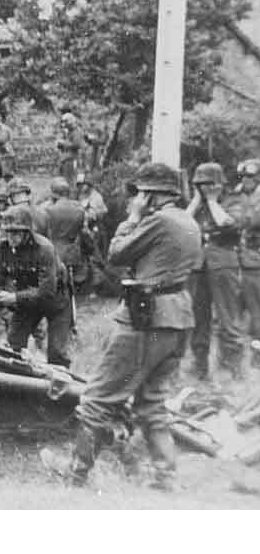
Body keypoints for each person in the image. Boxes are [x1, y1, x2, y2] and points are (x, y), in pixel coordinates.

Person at [40, 163, 202, 490]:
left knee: (98, 397)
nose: (136, 199)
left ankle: (75, 474)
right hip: (179, 318)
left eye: (140, 193)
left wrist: (132, 218)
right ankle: (165, 477)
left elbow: (116, 253)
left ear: (152, 195)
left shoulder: (158, 221)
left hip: (147, 321)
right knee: (151, 403)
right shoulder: (188, 221)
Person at [0, 204, 73, 368]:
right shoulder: (1, 248)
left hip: (56, 300)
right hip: (27, 300)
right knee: (13, 344)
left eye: (16, 232)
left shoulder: (44, 248)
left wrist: (14, 297)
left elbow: (47, 291)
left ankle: (61, 388)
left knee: (57, 353)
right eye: (8, 232)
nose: (11, 237)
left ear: (27, 232)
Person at [186, 162, 244, 380]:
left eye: (208, 184)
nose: (204, 188)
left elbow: (227, 222)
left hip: (223, 264)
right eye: (199, 184)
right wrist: (196, 201)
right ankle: (199, 366)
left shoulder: (234, 201)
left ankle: (231, 369)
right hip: (199, 267)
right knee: (199, 318)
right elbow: (181, 224)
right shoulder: (196, 207)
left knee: (227, 318)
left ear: (219, 184)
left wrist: (211, 201)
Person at [44, 177, 89, 290]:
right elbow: (84, 232)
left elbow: (46, 232)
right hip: (74, 251)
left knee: (57, 285)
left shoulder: (49, 210)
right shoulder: (80, 209)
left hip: (55, 251)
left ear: (54, 194)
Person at [237, 158, 260, 370]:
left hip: (255, 262)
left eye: (251, 176)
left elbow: (251, 221)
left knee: (256, 314)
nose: (247, 180)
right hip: (241, 260)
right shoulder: (240, 195)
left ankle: (257, 357)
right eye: (244, 176)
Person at [57, 112, 83, 192]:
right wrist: (61, 144)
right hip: (66, 159)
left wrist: (64, 143)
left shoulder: (76, 131)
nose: (64, 124)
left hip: (72, 160)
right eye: (63, 122)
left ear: (71, 121)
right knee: (65, 180)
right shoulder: (69, 132)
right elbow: (68, 144)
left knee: (71, 181)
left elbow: (77, 144)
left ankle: (72, 198)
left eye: (66, 121)